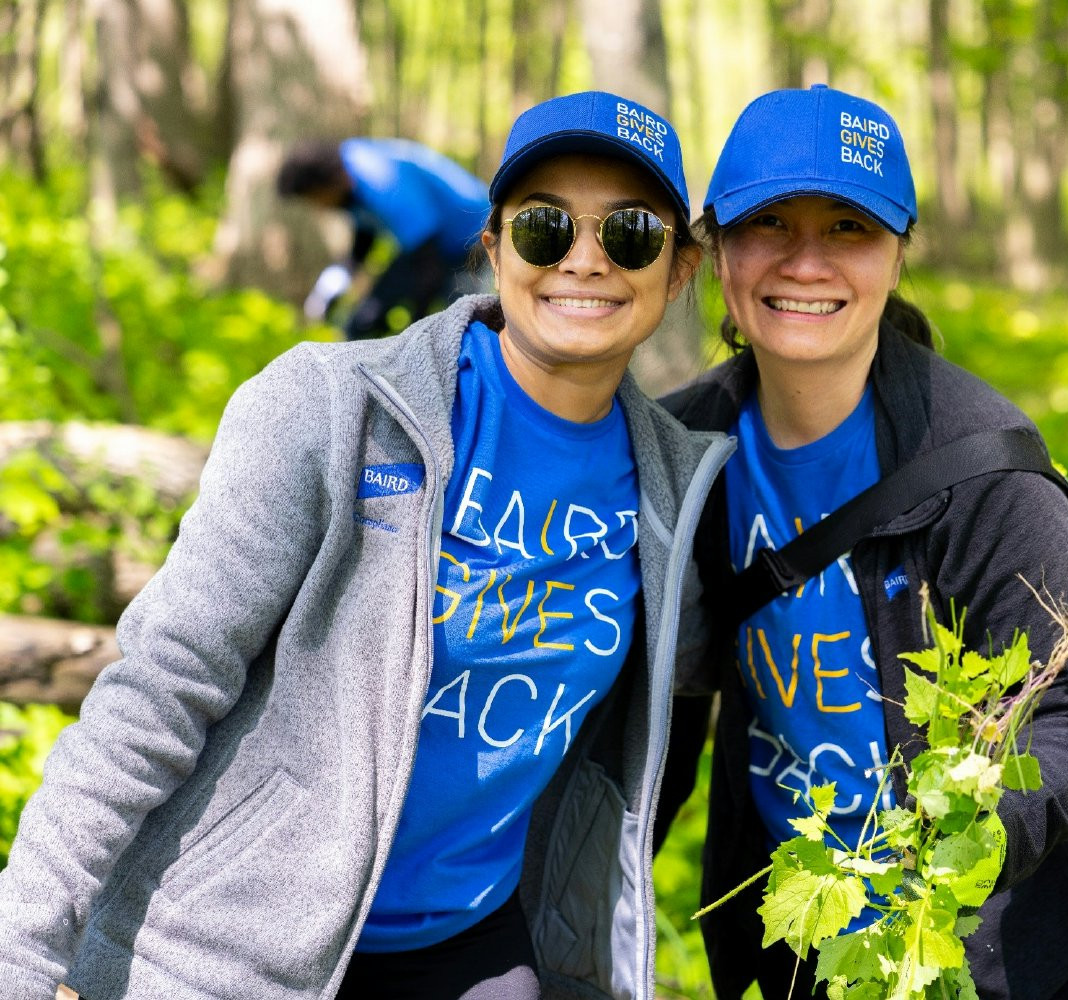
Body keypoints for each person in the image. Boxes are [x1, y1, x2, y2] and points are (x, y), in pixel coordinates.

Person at [0, 90, 730, 1000]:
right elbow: (156, 690)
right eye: (546, 228)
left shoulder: (677, 488)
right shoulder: (330, 410)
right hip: (233, 949)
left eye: (629, 232)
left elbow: (725, 660)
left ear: (682, 267)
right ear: (495, 246)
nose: (584, 260)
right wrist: (23, 956)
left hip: (475, 945)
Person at [660, 84, 1068, 1000]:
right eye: (769, 222)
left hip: (1016, 958)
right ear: (717, 252)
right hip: (806, 944)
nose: (805, 262)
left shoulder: (988, 473)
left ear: (897, 256)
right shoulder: (682, 454)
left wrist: (952, 862)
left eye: (848, 230)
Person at [277, 137, 491, 340]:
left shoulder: (380, 181)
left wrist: (413, 330)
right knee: (363, 322)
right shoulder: (348, 169)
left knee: (461, 328)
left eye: (313, 199)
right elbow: (364, 238)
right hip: (430, 245)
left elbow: (429, 267)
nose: (317, 207)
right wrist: (335, 281)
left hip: (473, 238)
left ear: (322, 186)